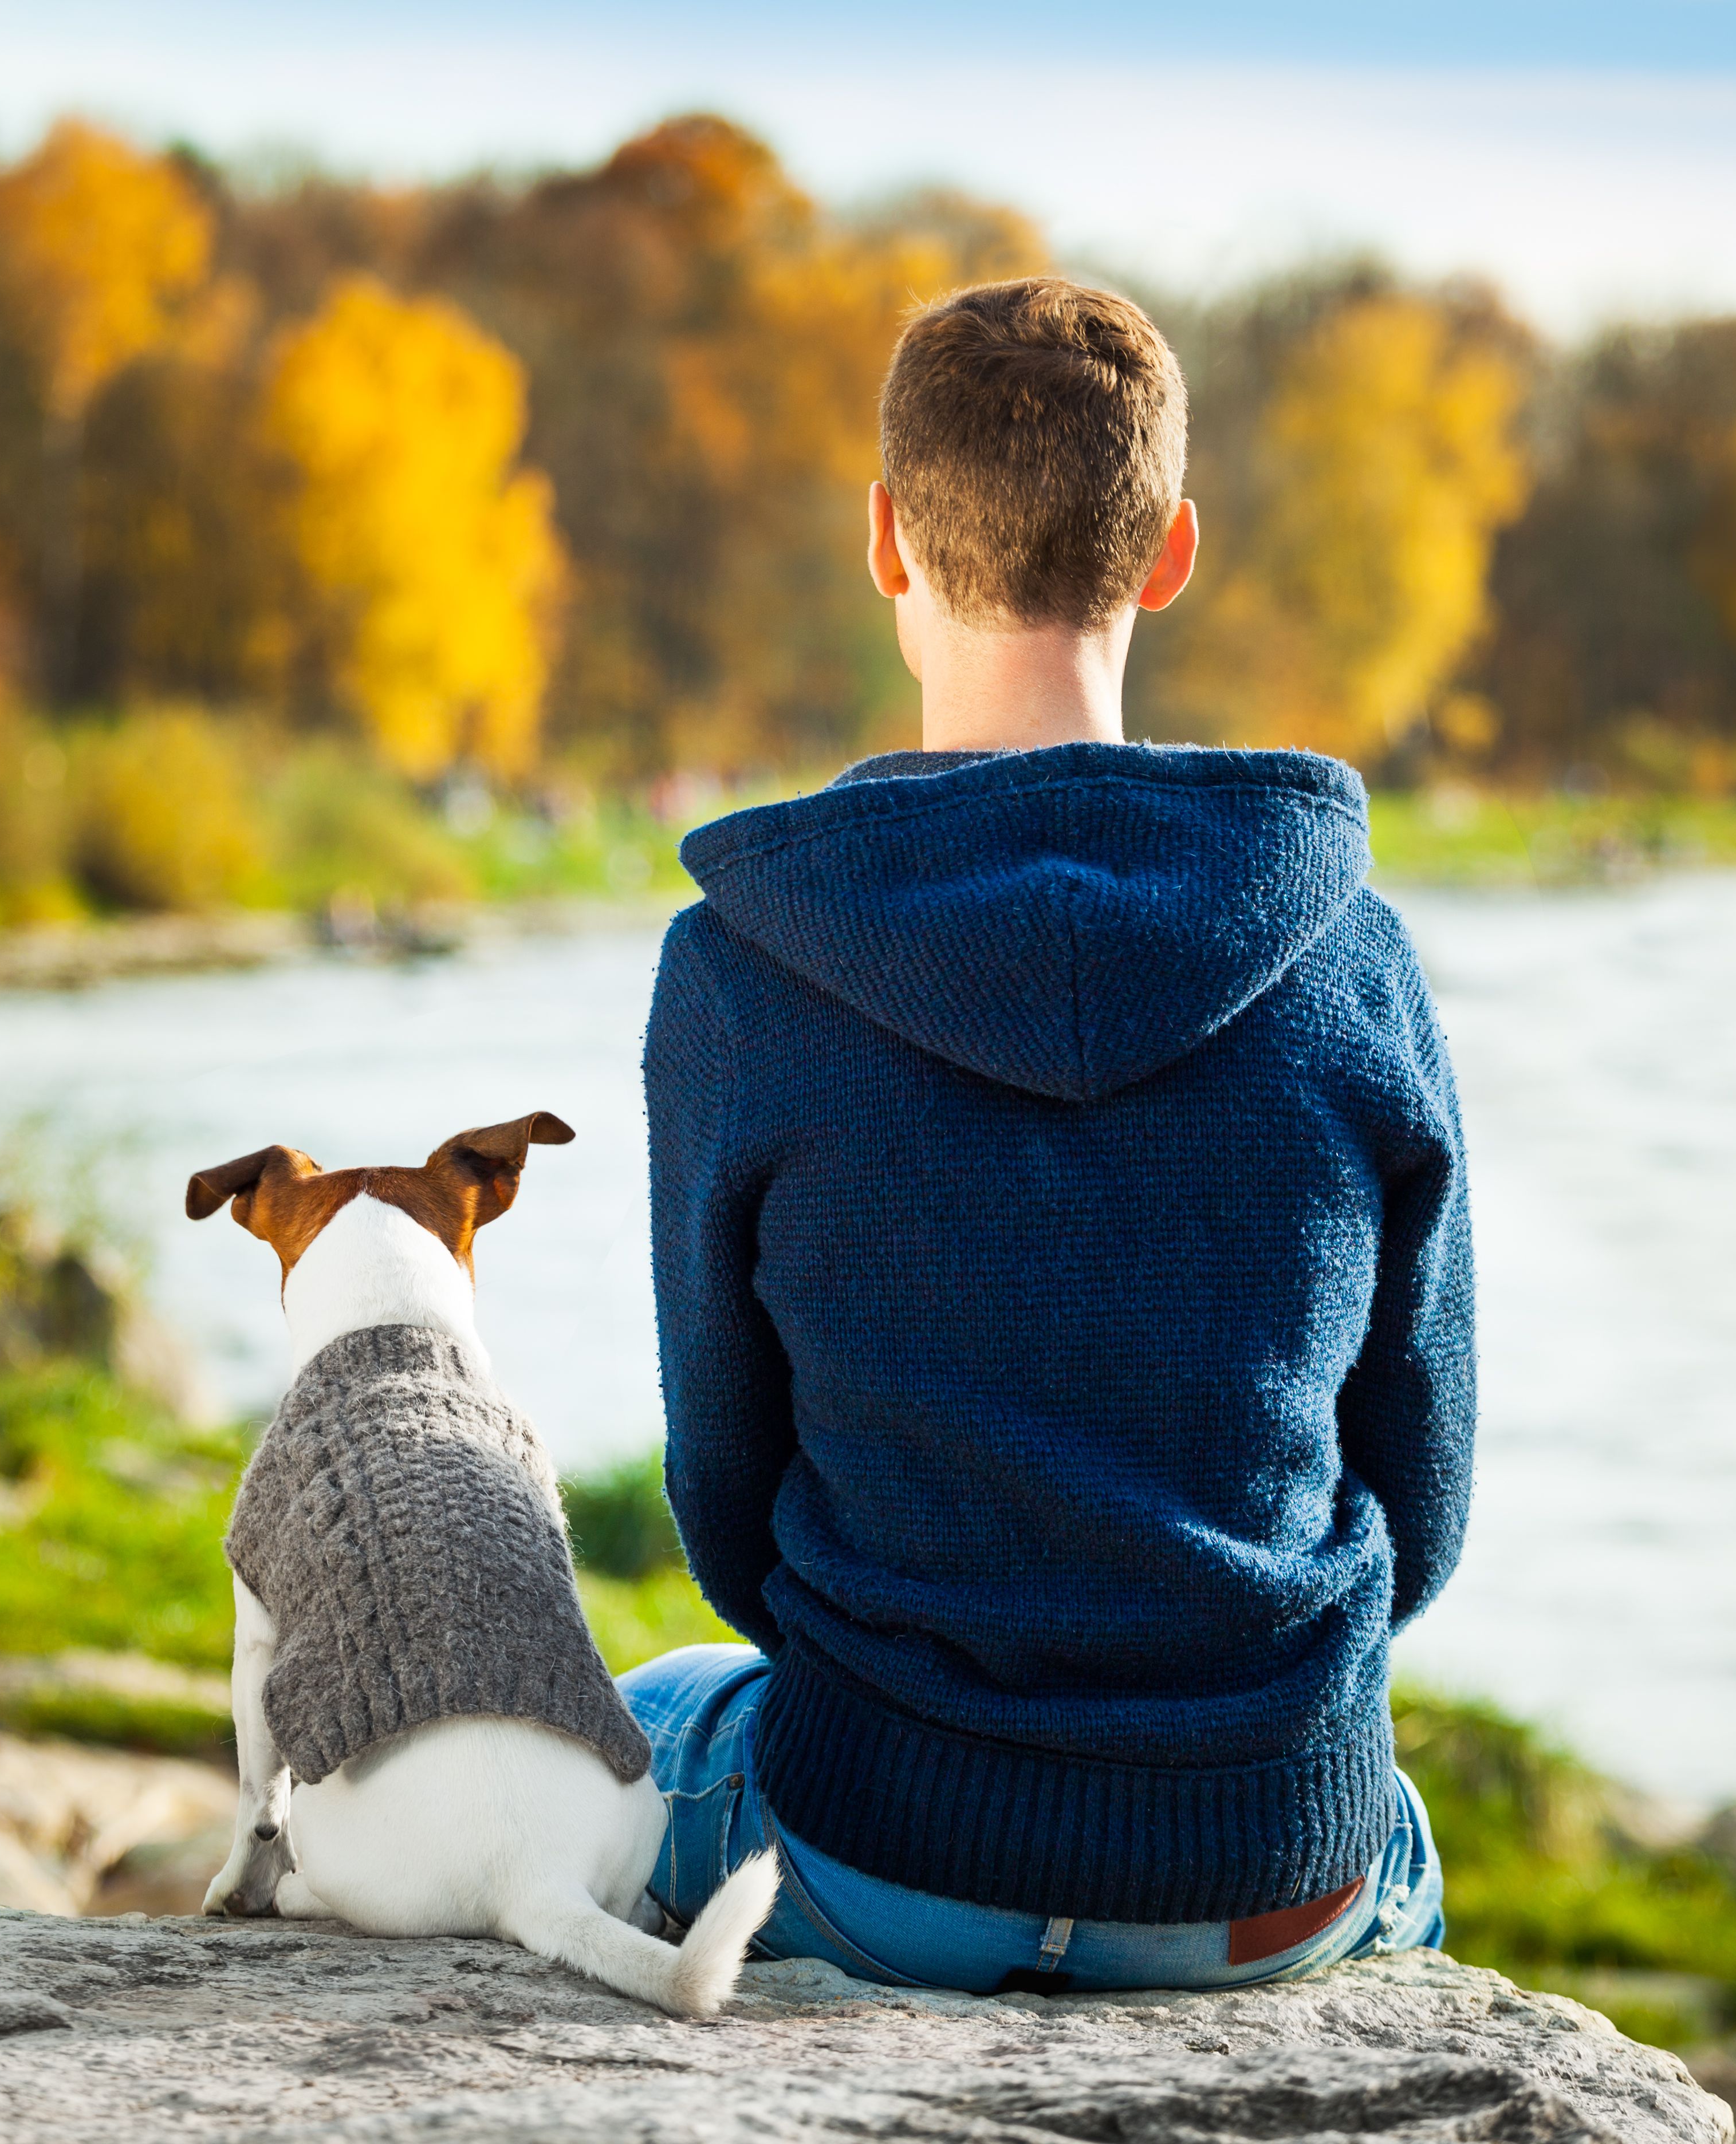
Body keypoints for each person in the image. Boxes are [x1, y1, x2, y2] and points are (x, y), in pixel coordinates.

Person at [621, 276, 1474, 1995]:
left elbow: (727, 1503)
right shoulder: (1351, 954)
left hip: (887, 1854)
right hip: (1266, 1876)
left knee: (645, 1709)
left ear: (884, 542)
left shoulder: (740, 972)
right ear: (1168, 550)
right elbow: (1424, 1498)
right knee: (1405, 1836)